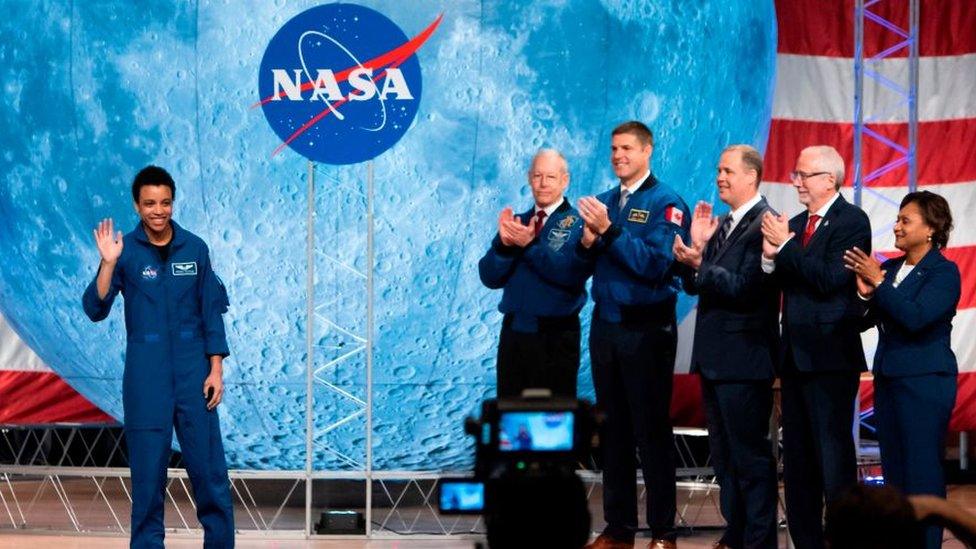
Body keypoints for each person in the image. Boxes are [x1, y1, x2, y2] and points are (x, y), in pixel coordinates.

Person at [82, 165, 235, 548]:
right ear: (137, 206)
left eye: (165, 202)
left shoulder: (195, 249)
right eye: (149, 203)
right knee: (148, 481)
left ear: (172, 203)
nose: (158, 210)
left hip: (194, 376)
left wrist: (216, 368)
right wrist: (108, 262)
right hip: (146, 379)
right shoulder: (125, 252)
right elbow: (95, 308)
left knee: (210, 474)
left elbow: (211, 312)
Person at [577, 121, 691, 549]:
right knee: (614, 432)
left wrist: (609, 232)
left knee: (651, 431)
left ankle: (663, 531)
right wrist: (586, 242)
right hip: (605, 327)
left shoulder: (666, 203)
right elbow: (585, 261)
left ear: (647, 151)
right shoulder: (604, 202)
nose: (618, 155)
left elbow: (655, 265)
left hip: (647, 331)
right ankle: (618, 528)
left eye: (626, 148)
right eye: (613, 149)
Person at [760, 145, 872, 549]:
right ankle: (805, 541)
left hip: (829, 356)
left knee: (832, 457)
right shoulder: (792, 224)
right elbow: (779, 284)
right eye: (795, 174)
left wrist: (786, 248)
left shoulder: (852, 222)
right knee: (800, 461)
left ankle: (842, 540)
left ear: (830, 179)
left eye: (803, 175)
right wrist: (771, 258)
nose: (795, 182)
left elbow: (828, 280)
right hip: (793, 356)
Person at [673, 145, 779, 549]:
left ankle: (758, 541)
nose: (719, 177)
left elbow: (747, 289)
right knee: (724, 458)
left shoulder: (763, 223)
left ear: (752, 177)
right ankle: (736, 535)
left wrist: (702, 265)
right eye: (717, 170)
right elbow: (698, 285)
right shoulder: (725, 224)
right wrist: (693, 257)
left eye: (727, 170)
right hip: (716, 361)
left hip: (745, 360)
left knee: (750, 459)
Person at [844, 190, 961, 548]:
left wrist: (879, 285)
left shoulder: (944, 272)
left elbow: (915, 318)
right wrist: (866, 294)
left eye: (905, 220)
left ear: (931, 229)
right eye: (897, 219)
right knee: (894, 473)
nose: (896, 226)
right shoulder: (890, 269)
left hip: (925, 383)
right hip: (890, 381)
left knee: (922, 472)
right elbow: (861, 321)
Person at [478, 149, 591, 399]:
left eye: (550, 177)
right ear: (529, 178)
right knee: (512, 420)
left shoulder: (579, 222)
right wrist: (503, 247)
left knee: (551, 425)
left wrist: (529, 246)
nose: (542, 183)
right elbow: (489, 277)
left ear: (565, 180)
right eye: (537, 176)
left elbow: (568, 274)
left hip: (554, 338)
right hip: (514, 335)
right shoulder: (518, 223)